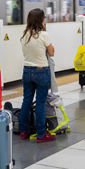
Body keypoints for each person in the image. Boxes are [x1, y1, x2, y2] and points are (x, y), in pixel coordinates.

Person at [18, 8, 56, 143]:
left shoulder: (24, 36)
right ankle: (41, 134)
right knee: (40, 103)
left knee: (26, 101)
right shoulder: (43, 35)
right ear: (41, 20)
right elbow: (51, 53)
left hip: (27, 71)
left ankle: (24, 131)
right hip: (41, 71)